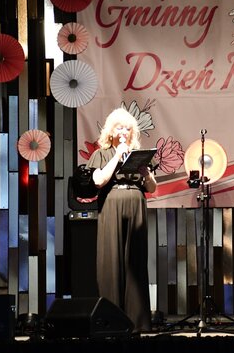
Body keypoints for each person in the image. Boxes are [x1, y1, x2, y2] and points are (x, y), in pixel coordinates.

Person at [86, 107, 157, 333]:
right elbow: (99, 181)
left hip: (135, 203)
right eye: (119, 128)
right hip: (112, 203)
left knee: (135, 261)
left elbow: (152, 188)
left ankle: (137, 322)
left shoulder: (137, 155)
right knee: (111, 260)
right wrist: (117, 156)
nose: (124, 132)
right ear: (111, 131)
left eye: (127, 128)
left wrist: (146, 174)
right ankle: (111, 321)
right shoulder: (102, 154)